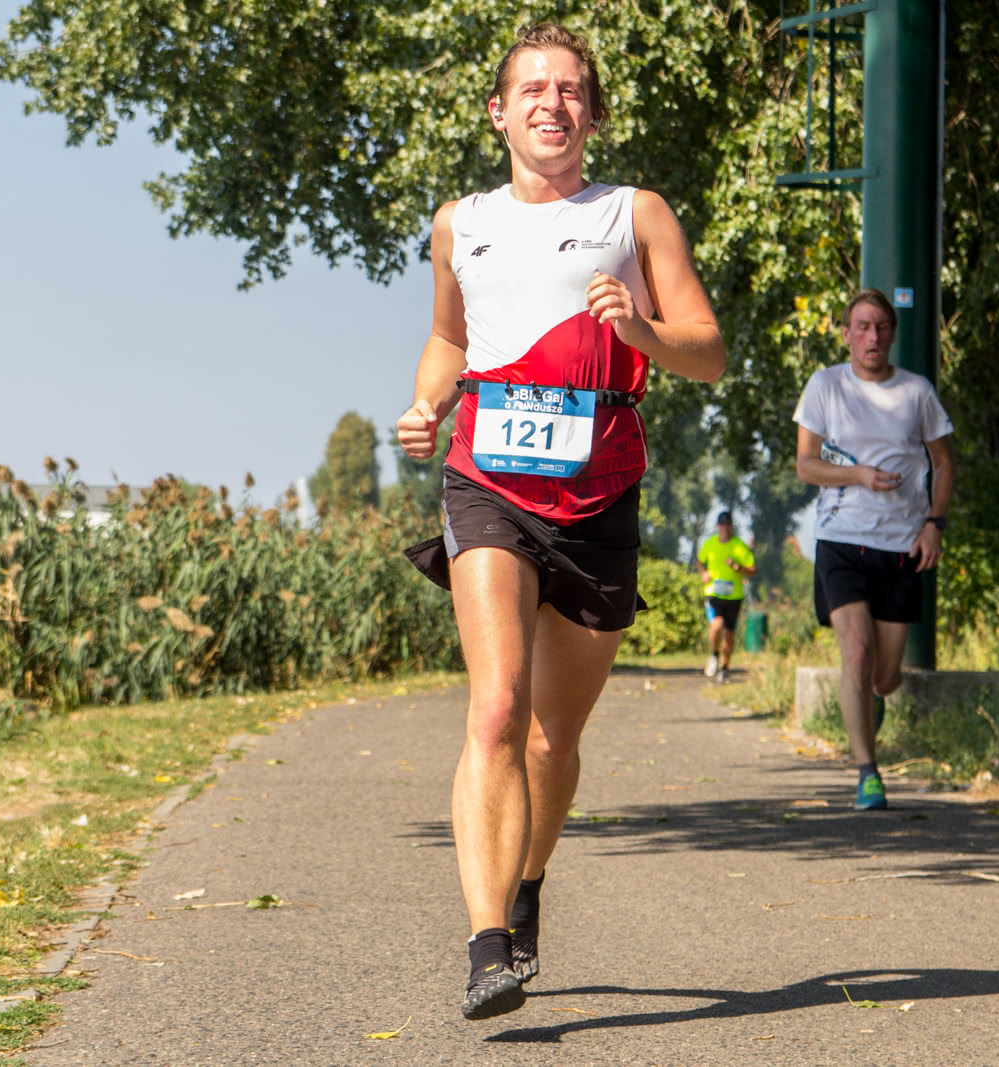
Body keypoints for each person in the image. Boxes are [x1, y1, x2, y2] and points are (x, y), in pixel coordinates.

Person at [396, 22, 725, 1021]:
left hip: (596, 490)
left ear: (591, 111)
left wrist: (639, 330)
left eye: (571, 89)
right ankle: (487, 938)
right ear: (498, 112)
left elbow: (706, 350)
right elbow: (449, 337)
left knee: (550, 737)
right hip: (485, 480)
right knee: (493, 707)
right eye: (532, 88)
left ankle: (528, 880)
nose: (552, 102)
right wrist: (425, 404)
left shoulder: (636, 214)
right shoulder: (461, 223)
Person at [792, 288, 954, 812]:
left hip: (902, 546)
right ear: (846, 333)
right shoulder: (825, 386)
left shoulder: (916, 392)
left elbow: (944, 463)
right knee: (856, 653)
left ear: (892, 335)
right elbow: (805, 465)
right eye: (862, 327)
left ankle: (873, 699)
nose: (872, 337)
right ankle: (867, 772)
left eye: (881, 327)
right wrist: (857, 475)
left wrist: (934, 524)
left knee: (884, 675)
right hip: (841, 541)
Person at [696, 510, 756, 683]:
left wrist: (738, 568)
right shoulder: (710, 544)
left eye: (727, 525)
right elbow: (699, 561)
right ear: (717, 526)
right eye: (722, 525)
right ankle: (714, 655)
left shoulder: (739, 546)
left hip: (734, 596)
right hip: (713, 594)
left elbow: (753, 569)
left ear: (731, 527)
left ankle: (725, 669)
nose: (724, 528)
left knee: (729, 635)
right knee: (716, 625)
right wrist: (703, 573)